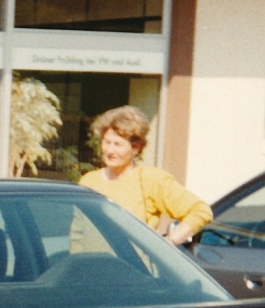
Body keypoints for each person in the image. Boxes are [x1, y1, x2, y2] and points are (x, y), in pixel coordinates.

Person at [79, 105, 212, 244]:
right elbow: (78, 232)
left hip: (132, 265)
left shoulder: (150, 179)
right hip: (90, 263)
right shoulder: (88, 181)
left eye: (118, 144)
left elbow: (200, 211)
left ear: (136, 148)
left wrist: (169, 242)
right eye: (106, 142)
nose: (109, 150)